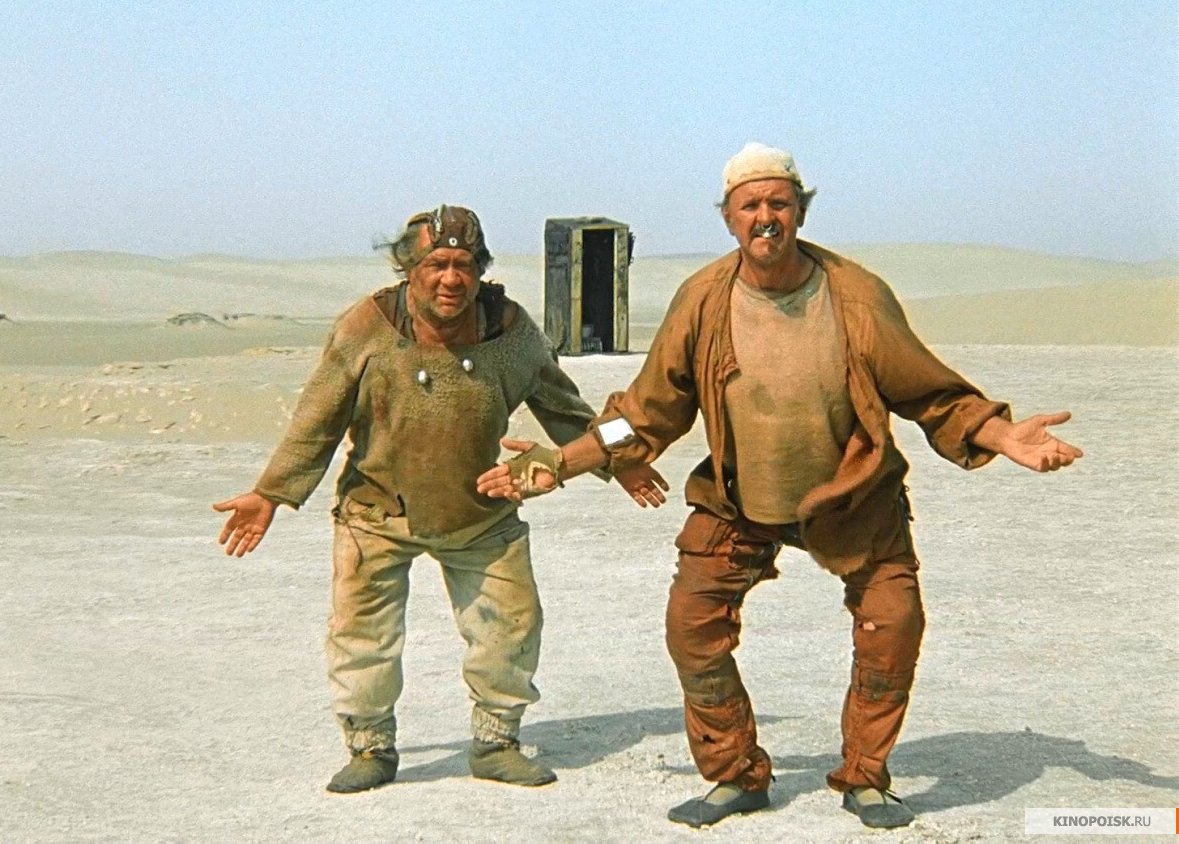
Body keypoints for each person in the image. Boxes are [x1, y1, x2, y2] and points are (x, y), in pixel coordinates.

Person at [477, 144, 1083, 829]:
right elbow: (644, 413)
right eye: (750, 206)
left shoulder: (856, 296)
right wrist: (563, 462)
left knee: (894, 625)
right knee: (692, 625)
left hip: (855, 498)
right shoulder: (703, 299)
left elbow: (930, 392)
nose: (765, 217)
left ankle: (866, 777)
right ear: (728, 217)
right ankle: (734, 773)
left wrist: (1001, 435)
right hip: (740, 501)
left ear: (800, 211)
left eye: (779, 203)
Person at [213, 204, 664, 794]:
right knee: (362, 635)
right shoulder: (366, 326)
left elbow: (564, 405)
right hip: (376, 512)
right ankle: (369, 745)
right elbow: (316, 419)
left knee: (511, 626)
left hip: (478, 513)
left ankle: (496, 741)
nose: (452, 278)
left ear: (481, 270)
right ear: (409, 269)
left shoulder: (510, 332)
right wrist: (272, 492)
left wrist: (618, 461)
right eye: (437, 264)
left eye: (465, 265)